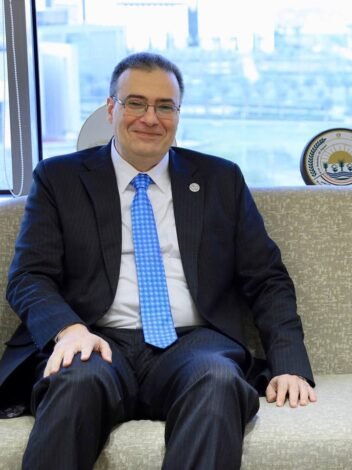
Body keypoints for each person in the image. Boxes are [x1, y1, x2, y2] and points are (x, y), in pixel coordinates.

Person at [0, 52, 316, 469]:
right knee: (74, 381)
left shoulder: (220, 179)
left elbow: (267, 280)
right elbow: (29, 276)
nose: (150, 118)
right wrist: (69, 330)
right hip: (96, 338)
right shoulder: (60, 179)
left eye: (165, 106)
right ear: (111, 108)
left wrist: (289, 365)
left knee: (218, 380)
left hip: (194, 344)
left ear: (178, 114)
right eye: (136, 103)